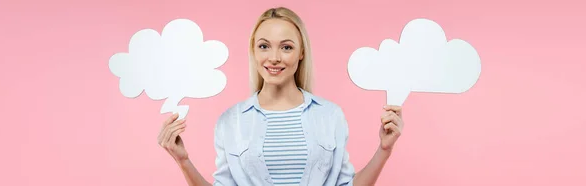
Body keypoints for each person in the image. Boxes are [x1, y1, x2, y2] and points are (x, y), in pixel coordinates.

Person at [157, 7, 405, 186]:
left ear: (300, 53)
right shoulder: (230, 122)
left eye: (286, 47)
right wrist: (183, 161)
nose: (274, 57)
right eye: (264, 46)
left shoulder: (330, 116)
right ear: (254, 51)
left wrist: (384, 149)